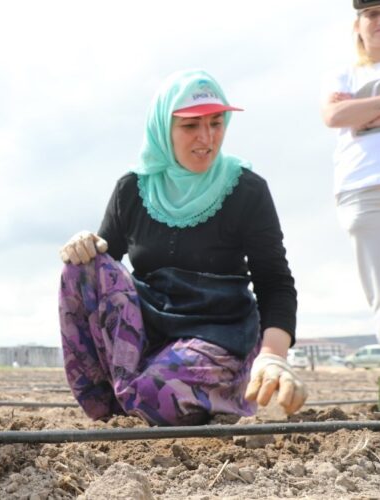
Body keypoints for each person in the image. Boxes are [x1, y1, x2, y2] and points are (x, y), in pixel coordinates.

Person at [58, 69, 307, 426]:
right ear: (164, 129)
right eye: (191, 126)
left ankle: (181, 395)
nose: (207, 138)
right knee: (79, 264)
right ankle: (116, 406)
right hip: (149, 330)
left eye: (216, 123)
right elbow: (101, 275)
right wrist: (83, 246)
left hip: (218, 333)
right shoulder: (132, 189)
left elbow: (276, 283)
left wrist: (273, 357)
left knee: (153, 392)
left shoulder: (246, 190)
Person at [322, 0, 380, 344]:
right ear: (357, 26)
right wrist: (348, 111)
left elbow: (346, 113)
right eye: (371, 14)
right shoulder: (343, 74)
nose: (378, 22)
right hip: (363, 188)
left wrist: (360, 109)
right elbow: (333, 115)